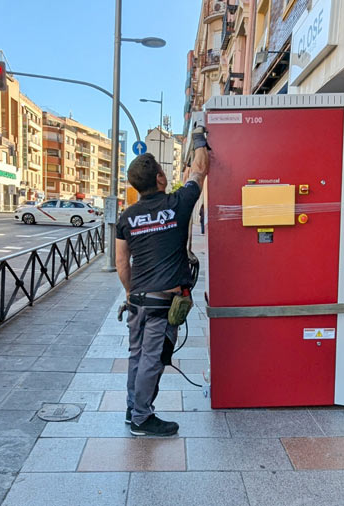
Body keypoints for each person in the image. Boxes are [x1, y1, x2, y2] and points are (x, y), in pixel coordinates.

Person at [115, 128, 210, 437]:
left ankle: (133, 409)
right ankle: (142, 418)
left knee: (136, 355)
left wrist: (130, 293)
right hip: (162, 302)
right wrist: (199, 138)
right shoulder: (178, 203)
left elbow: (121, 262)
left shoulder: (127, 217)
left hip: (138, 300)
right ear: (159, 178)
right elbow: (200, 168)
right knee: (152, 360)